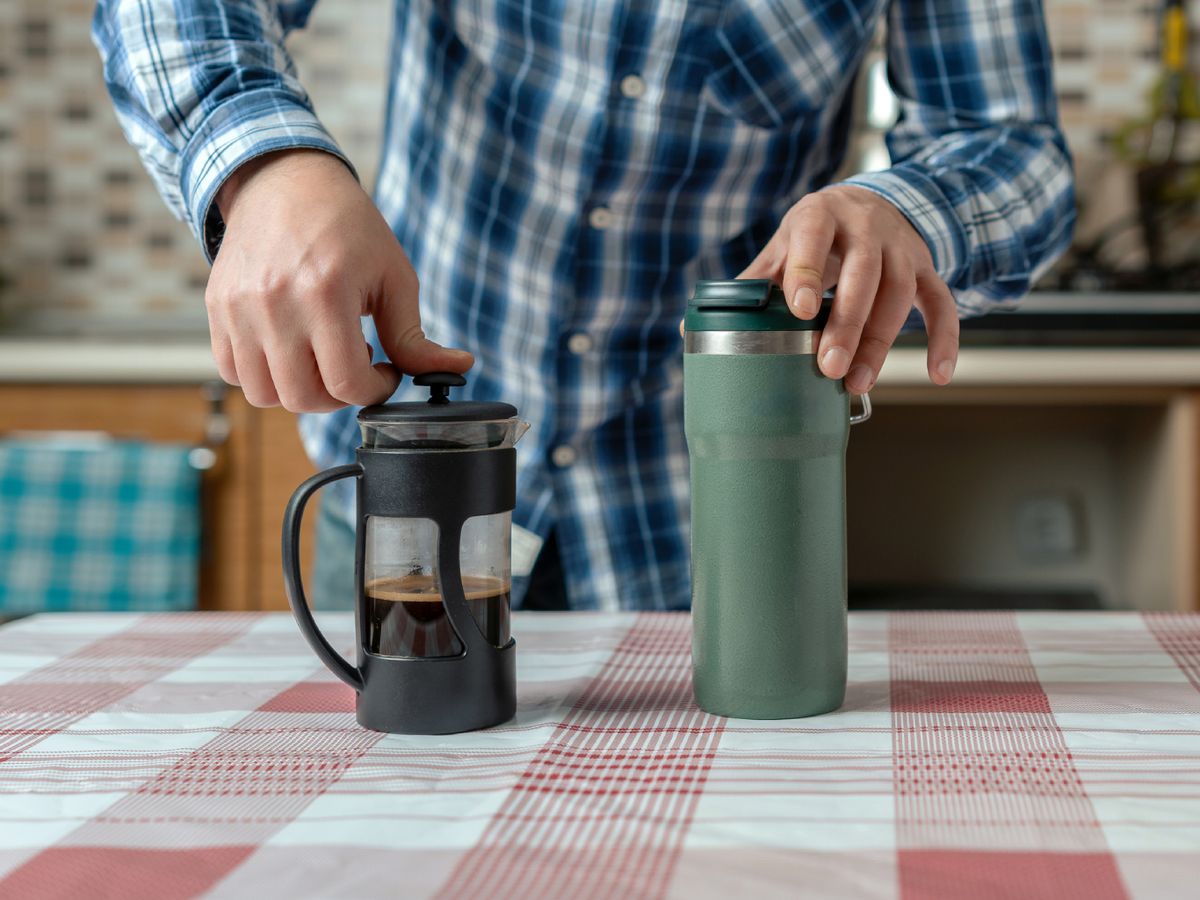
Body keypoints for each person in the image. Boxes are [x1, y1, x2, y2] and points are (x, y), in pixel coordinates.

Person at [94, 0, 1074, 612]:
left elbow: (1011, 147)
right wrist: (264, 165)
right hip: (405, 502)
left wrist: (901, 211)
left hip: (706, 533)